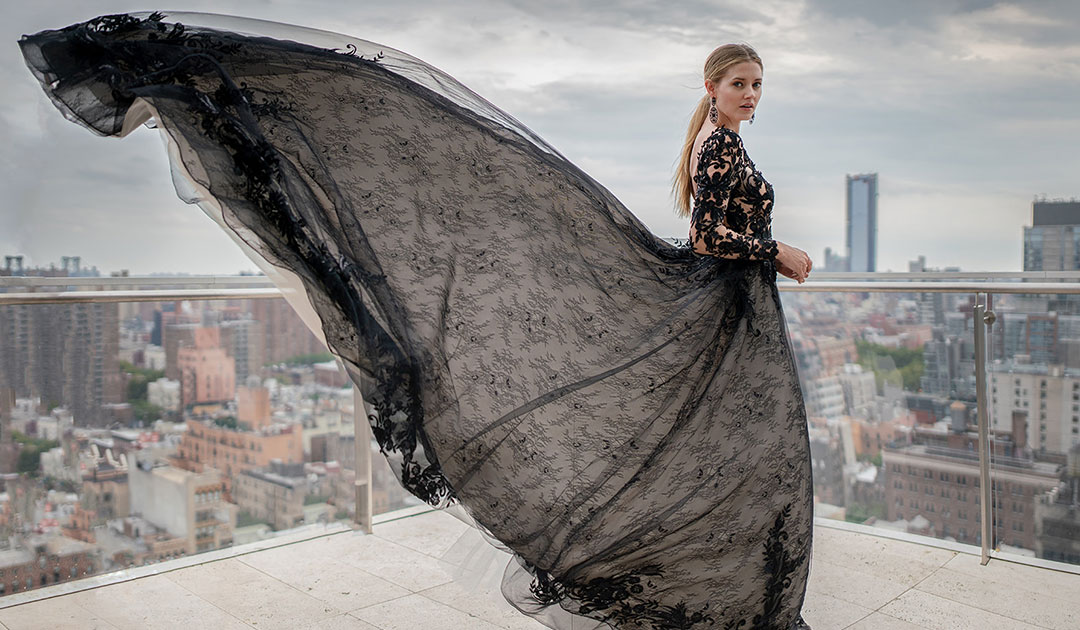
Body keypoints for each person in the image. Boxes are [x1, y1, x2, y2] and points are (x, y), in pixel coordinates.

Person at [19, 12, 814, 629]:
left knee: (720, 449)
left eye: (757, 85)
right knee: (732, 450)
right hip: (730, 299)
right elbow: (713, 238)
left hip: (731, 307)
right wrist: (775, 251)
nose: (749, 95)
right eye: (739, 82)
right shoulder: (719, 149)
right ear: (711, 88)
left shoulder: (722, 142)